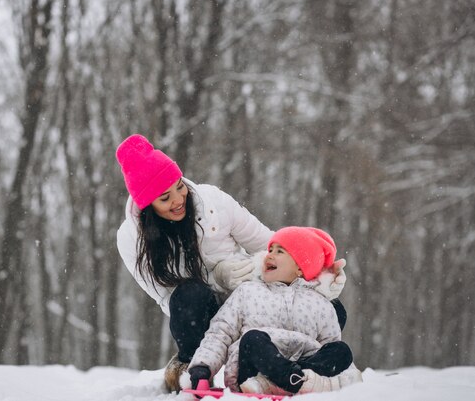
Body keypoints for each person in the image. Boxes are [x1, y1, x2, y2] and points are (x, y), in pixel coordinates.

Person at [115, 134, 347, 392]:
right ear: (148, 205)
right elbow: (167, 299)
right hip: (204, 313)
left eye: (179, 186)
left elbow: (268, 242)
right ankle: (195, 368)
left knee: (333, 310)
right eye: (165, 198)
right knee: (188, 296)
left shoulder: (213, 201)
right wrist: (218, 277)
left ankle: (297, 369)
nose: (179, 200)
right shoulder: (131, 240)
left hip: (253, 298)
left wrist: (320, 279)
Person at [185, 227, 362, 395]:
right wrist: (203, 367)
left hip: (303, 366)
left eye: (280, 251)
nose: (269, 255)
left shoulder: (321, 304)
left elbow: (328, 345)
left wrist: (346, 372)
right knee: (253, 339)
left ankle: (294, 380)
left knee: (341, 350)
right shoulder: (248, 291)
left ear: (300, 268)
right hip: (254, 372)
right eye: (270, 250)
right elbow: (220, 332)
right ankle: (290, 381)